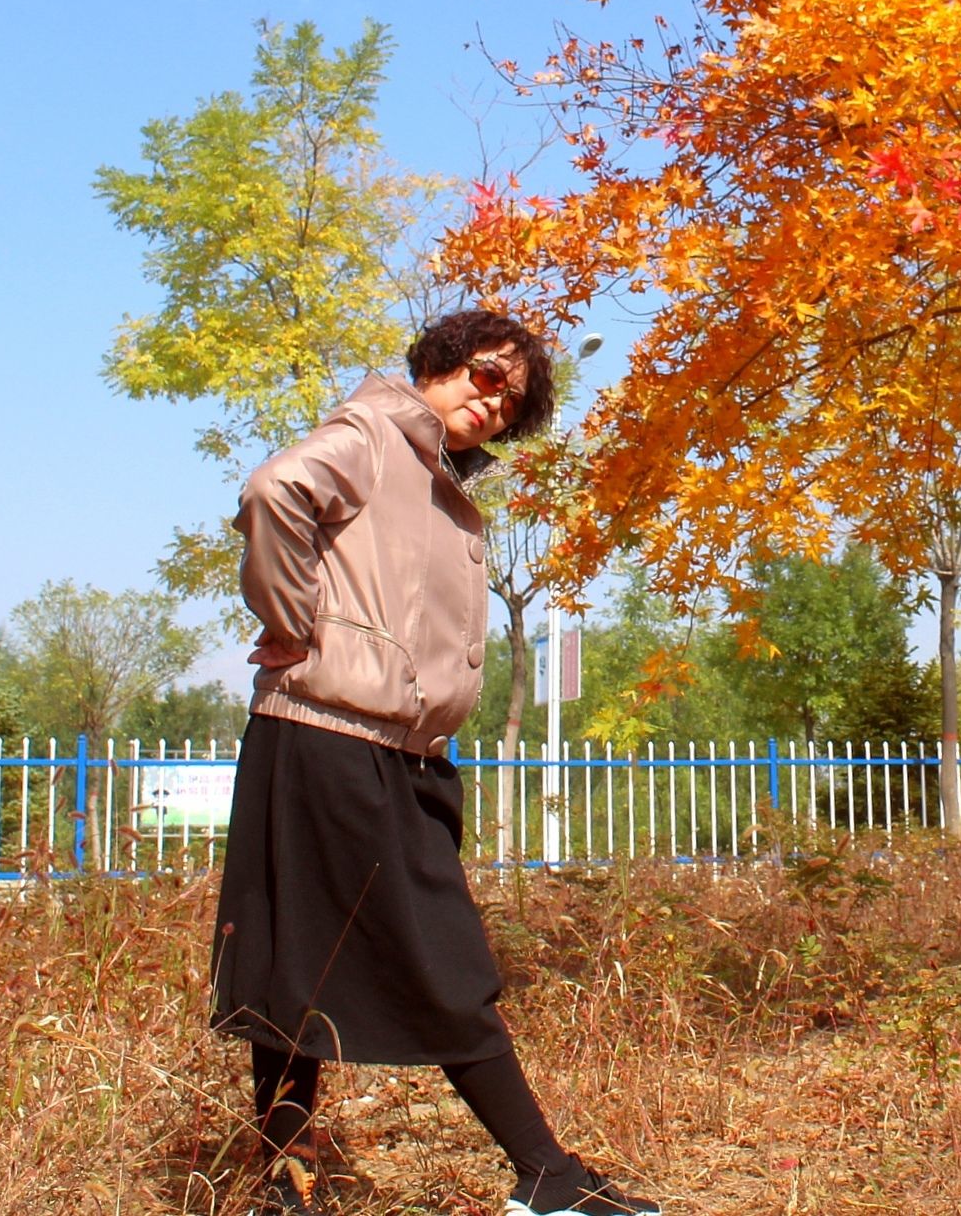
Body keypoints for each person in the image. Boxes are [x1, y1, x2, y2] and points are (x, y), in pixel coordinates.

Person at [210, 309, 660, 1216]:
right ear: (442, 363)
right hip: (331, 734)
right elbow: (273, 493)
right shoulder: (375, 431)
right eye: (487, 378)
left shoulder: (434, 474)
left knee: (303, 960)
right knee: (443, 959)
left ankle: (281, 1185)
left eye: (513, 403)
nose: (493, 405)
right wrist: (296, 626)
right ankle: (549, 1177)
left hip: (383, 748)